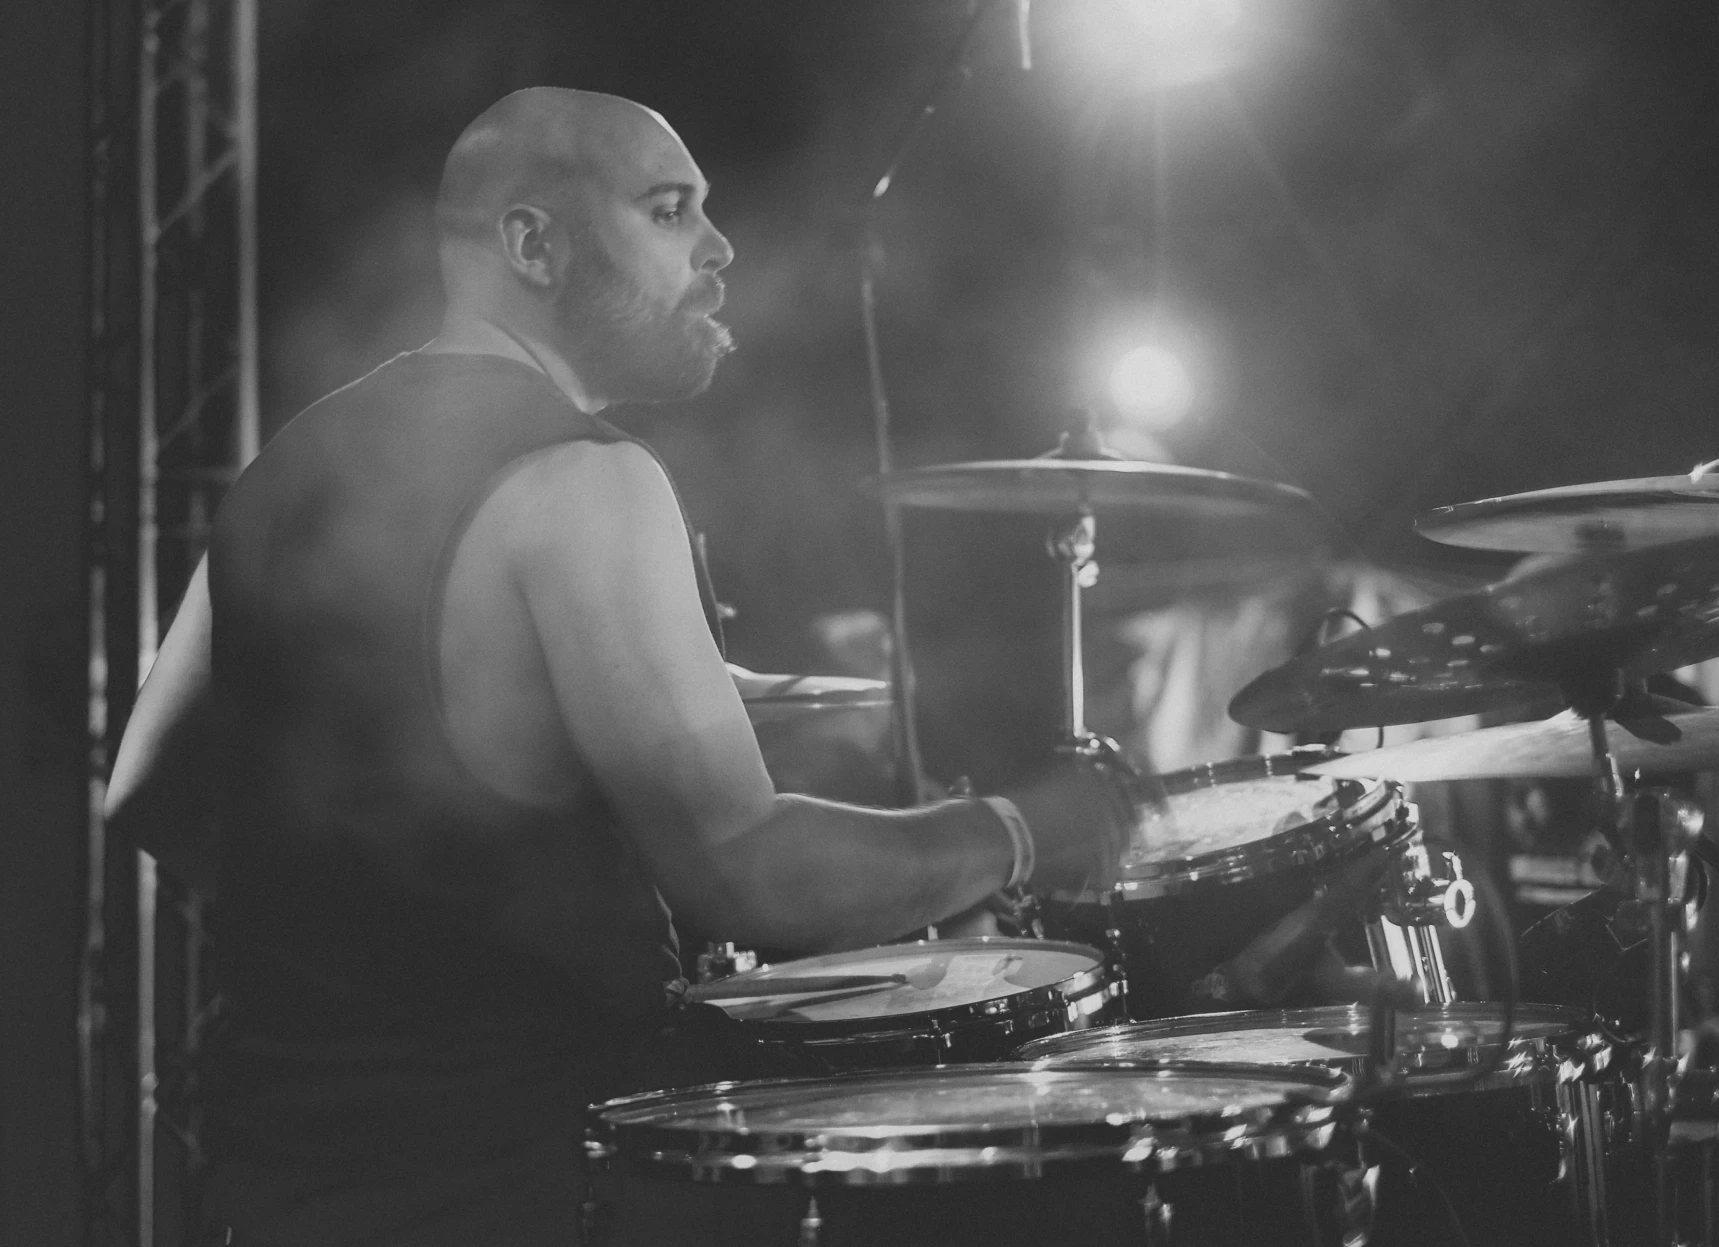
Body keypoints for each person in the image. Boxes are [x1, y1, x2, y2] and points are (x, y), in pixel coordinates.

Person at [105, 87, 1134, 1246]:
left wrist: (360, 953)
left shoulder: (283, 469)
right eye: (668, 209)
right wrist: (1024, 826)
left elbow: (144, 788)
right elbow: (744, 871)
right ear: (531, 243)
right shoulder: (588, 478)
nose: (720, 246)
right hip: (526, 1189)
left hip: (286, 1191)